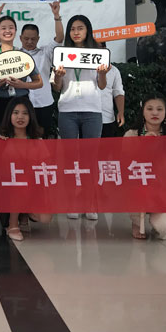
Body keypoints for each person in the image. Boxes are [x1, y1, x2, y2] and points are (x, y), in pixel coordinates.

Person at [52, 14, 110, 222]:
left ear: (87, 31)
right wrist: (58, 76)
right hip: (67, 110)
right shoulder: (61, 54)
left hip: (92, 110)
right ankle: (72, 202)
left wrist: (102, 73)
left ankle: (89, 202)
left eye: (80, 28)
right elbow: (57, 87)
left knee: (90, 159)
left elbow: (102, 85)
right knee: (70, 159)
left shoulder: (97, 54)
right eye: (73, 29)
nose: (76, 32)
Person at [0, 97, 53, 241]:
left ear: (31, 116)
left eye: (25, 113)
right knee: (20, 180)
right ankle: (13, 224)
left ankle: (24, 216)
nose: (20, 117)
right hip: (7, 191)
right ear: (9, 116)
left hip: (32, 189)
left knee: (45, 217)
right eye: (16, 113)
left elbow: (47, 168)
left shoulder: (37, 141)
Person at [124, 94, 166, 240]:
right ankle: (136, 223)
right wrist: (143, 146)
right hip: (138, 187)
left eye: (159, 109)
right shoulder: (131, 135)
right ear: (143, 111)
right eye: (150, 109)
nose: (154, 113)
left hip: (164, 190)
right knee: (134, 190)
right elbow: (124, 165)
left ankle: (157, 221)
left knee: (165, 229)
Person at [0, 9, 42, 137]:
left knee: (24, 140)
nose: (7, 31)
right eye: (3, 28)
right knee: (0, 140)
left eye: (11, 28)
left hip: (22, 102)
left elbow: (39, 82)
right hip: (0, 103)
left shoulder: (24, 56)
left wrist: (23, 85)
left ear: (16, 31)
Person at [17, 1, 65, 137]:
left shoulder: (45, 52)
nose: (29, 42)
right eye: (26, 39)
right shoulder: (14, 55)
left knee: (42, 139)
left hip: (44, 103)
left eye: (33, 39)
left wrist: (56, 16)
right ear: (20, 38)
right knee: (22, 139)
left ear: (38, 38)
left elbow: (60, 38)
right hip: (22, 104)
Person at [100, 63, 126, 137]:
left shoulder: (114, 70)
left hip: (107, 117)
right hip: (85, 117)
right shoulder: (84, 69)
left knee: (107, 143)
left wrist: (121, 112)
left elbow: (118, 92)